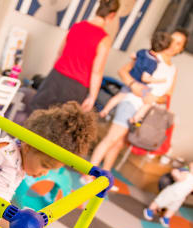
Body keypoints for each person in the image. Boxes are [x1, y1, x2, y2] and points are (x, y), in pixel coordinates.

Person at [85, 28, 188, 185]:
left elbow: (166, 96)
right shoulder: (151, 56)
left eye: (179, 44)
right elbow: (124, 71)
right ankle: (88, 174)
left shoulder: (173, 69)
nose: (174, 45)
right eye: (173, 40)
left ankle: (104, 180)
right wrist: (134, 85)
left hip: (144, 109)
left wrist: (154, 98)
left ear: (181, 48)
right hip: (130, 101)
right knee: (111, 138)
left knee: (118, 144)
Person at [27, 0, 119, 114]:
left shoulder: (77, 26)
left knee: (35, 113)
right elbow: (97, 71)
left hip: (56, 76)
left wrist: (54, 75)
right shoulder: (104, 39)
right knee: (61, 123)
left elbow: (60, 53)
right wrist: (92, 97)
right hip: (76, 88)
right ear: (112, 15)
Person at [99, 31, 172, 123]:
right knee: (148, 103)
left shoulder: (142, 51)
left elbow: (133, 56)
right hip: (140, 86)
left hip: (131, 79)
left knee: (118, 97)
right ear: (164, 49)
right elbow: (145, 78)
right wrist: (160, 80)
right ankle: (136, 119)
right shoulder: (153, 63)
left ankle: (105, 110)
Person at [143, 161, 193, 228]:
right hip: (172, 192)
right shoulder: (187, 174)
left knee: (173, 208)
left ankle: (166, 218)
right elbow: (179, 176)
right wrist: (176, 174)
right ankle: (149, 210)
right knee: (160, 201)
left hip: (180, 197)